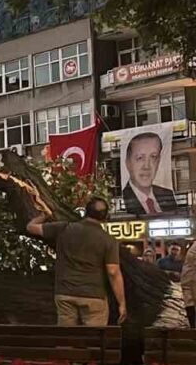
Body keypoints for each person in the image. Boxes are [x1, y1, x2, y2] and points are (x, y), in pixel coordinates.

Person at [26, 198, 127, 326]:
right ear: (105, 217)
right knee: (94, 336)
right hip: (94, 295)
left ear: (86, 212)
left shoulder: (63, 228)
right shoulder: (108, 240)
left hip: (65, 293)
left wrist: (43, 215)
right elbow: (113, 272)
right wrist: (122, 303)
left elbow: (30, 228)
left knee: (68, 336)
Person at [122, 132, 179, 216]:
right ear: (128, 163)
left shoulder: (167, 194)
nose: (146, 166)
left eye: (153, 157)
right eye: (140, 158)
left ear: (158, 161)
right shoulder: (122, 198)